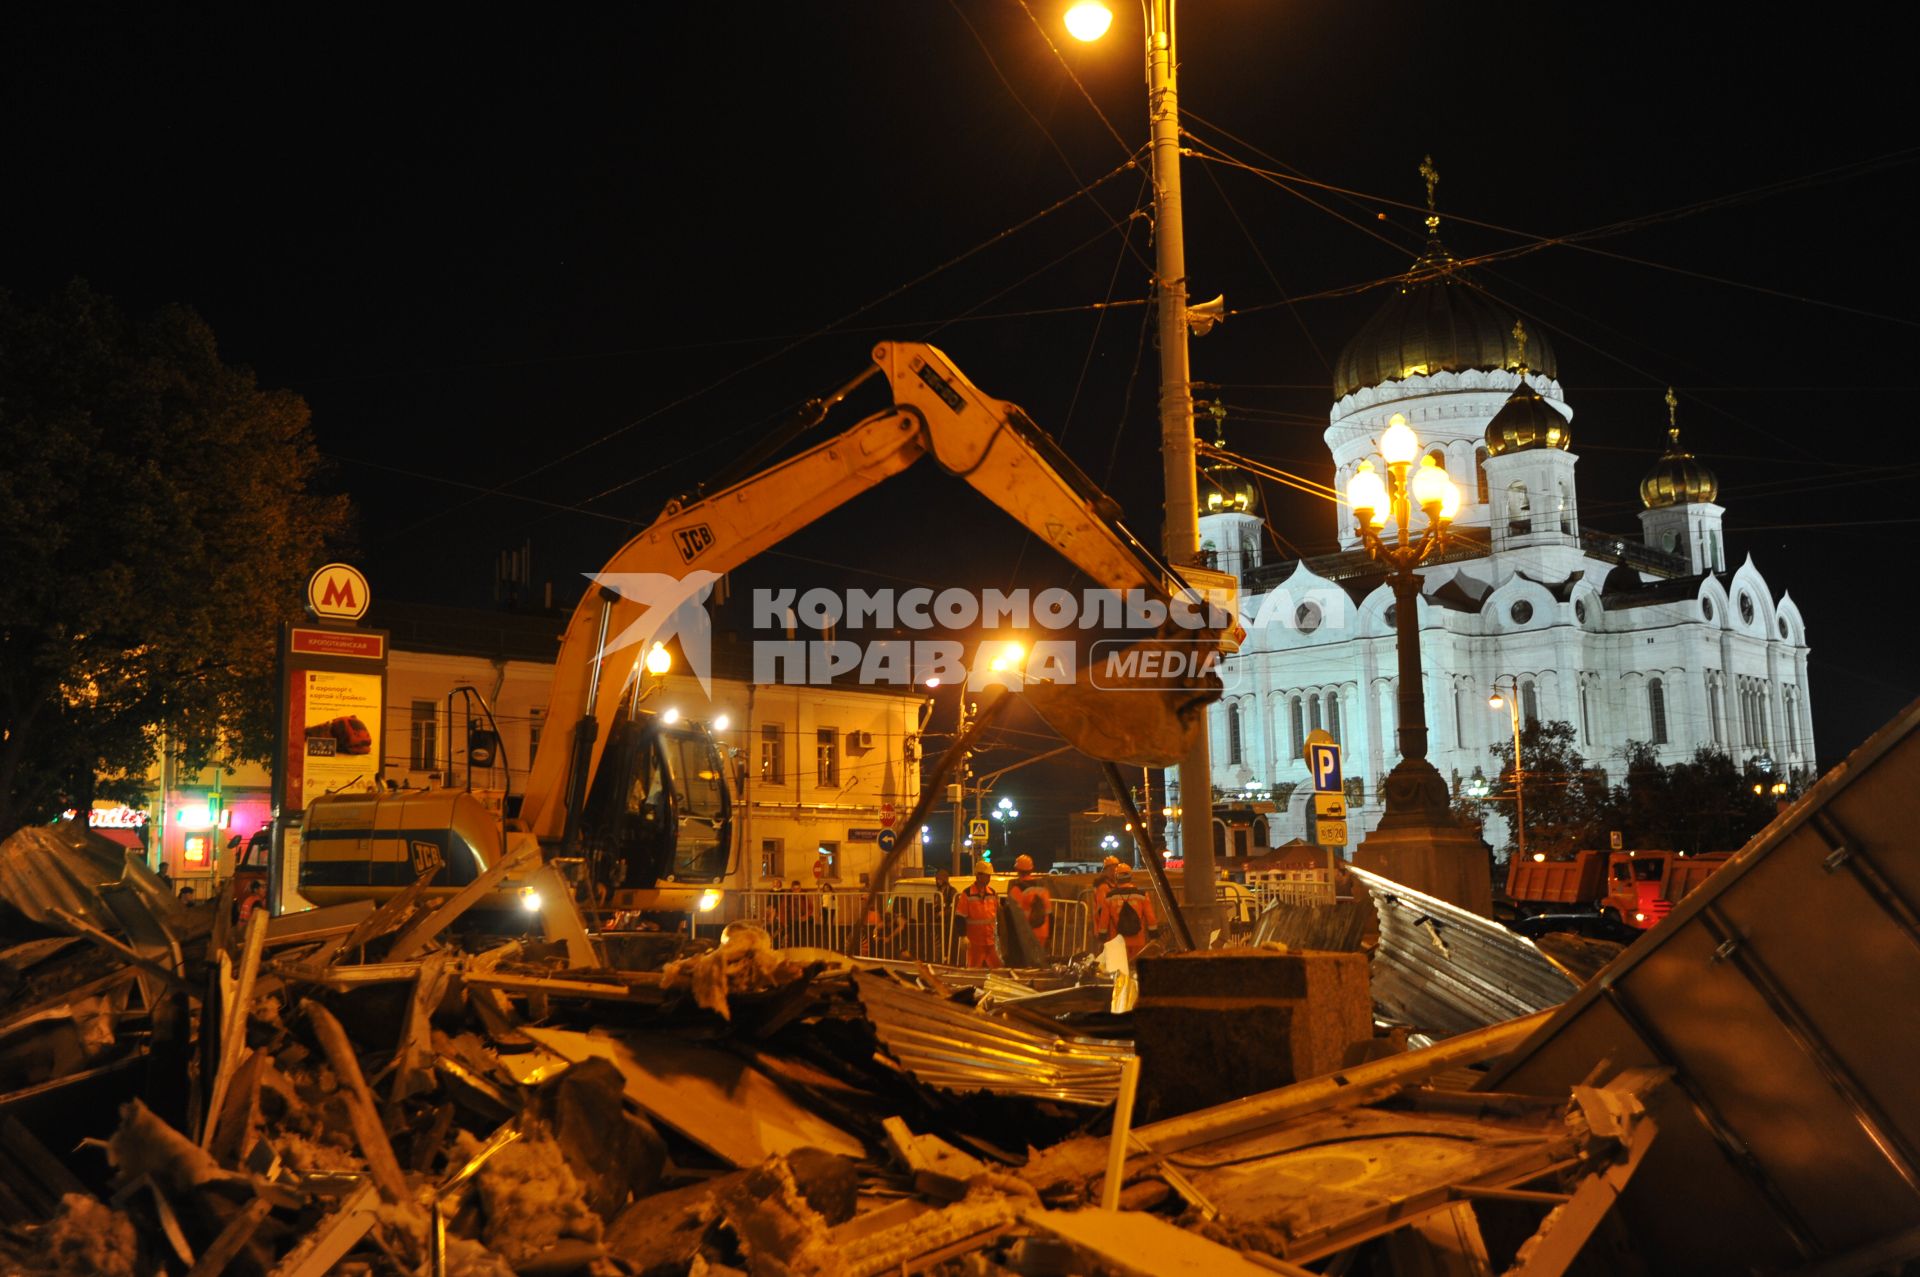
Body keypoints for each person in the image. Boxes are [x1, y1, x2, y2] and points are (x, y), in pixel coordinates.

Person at [1097, 863, 1158, 962]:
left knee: (1120, 969)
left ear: (1116, 878)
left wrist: (1102, 938)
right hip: (1138, 941)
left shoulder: (1110, 897)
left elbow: (1104, 921)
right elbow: (1151, 918)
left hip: (1117, 941)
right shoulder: (1142, 895)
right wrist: (1154, 936)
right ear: (1131, 877)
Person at [954, 866, 1000, 968]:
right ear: (978, 876)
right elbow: (960, 916)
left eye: (989, 876)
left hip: (990, 941)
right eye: (986, 876)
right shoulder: (967, 894)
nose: (988, 879)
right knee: (973, 970)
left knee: (998, 969)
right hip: (975, 942)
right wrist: (963, 935)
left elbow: (998, 915)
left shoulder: (992, 893)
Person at [1008, 854, 1052, 950]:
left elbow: (1011, 916)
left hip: (1026, 935)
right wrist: (1050, 936)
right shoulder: (1042, 888)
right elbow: (1049, 913)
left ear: (1018, 870)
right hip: (1042, 933)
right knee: (1040, 961)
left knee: (1027, 963)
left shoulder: (1016, 890)